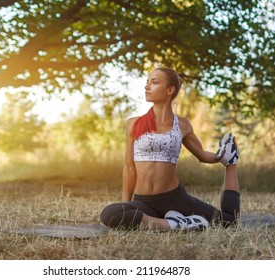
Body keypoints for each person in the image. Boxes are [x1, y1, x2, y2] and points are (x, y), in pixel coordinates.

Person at [100, 67, 240, 231]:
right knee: (111, 214)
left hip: (175, 199)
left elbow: (202, 155)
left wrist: (224, 157)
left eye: (154, 82)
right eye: (147, 82)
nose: (147, 86)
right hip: (143, 201)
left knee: (229, 222)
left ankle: (233, 162)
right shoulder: (134, 123)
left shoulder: (182, 125)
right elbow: (129, 167)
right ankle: (174, 224)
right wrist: (127, 204)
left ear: (170, 90)